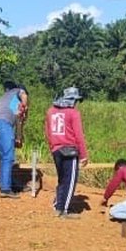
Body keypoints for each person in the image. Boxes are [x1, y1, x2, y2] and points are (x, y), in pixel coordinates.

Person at [44, 87, 88, 219]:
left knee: (62, 179)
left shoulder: (50, 111)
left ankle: (58, 206)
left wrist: (52, 146)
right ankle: (64, 210)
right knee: (70, 181)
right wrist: (84, 155)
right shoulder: (73, 113)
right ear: (73, 100)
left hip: (56, 149)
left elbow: (47, 132)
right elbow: (79, 135)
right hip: (70, 150)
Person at [0, 81, 28, 199]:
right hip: (4, 125)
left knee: (3, 157)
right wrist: (25, 105)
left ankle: (4, 182)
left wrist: (18, 137)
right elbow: (24, 95)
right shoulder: (18, 92)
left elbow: (18, 119)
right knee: (8, 157)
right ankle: (6, 189)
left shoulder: (4, 98)